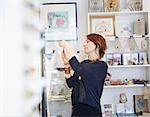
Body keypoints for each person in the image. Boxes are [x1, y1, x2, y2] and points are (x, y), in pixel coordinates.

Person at [59, 33, 108, 117]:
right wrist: (66, 66)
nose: (84, 44)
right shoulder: (84, 64)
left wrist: (67, 47)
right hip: (77, 109)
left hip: (91, 110)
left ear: (97, 44)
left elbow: (78, 69)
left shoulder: (101, 66)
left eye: (87, 41)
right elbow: (70, 83)